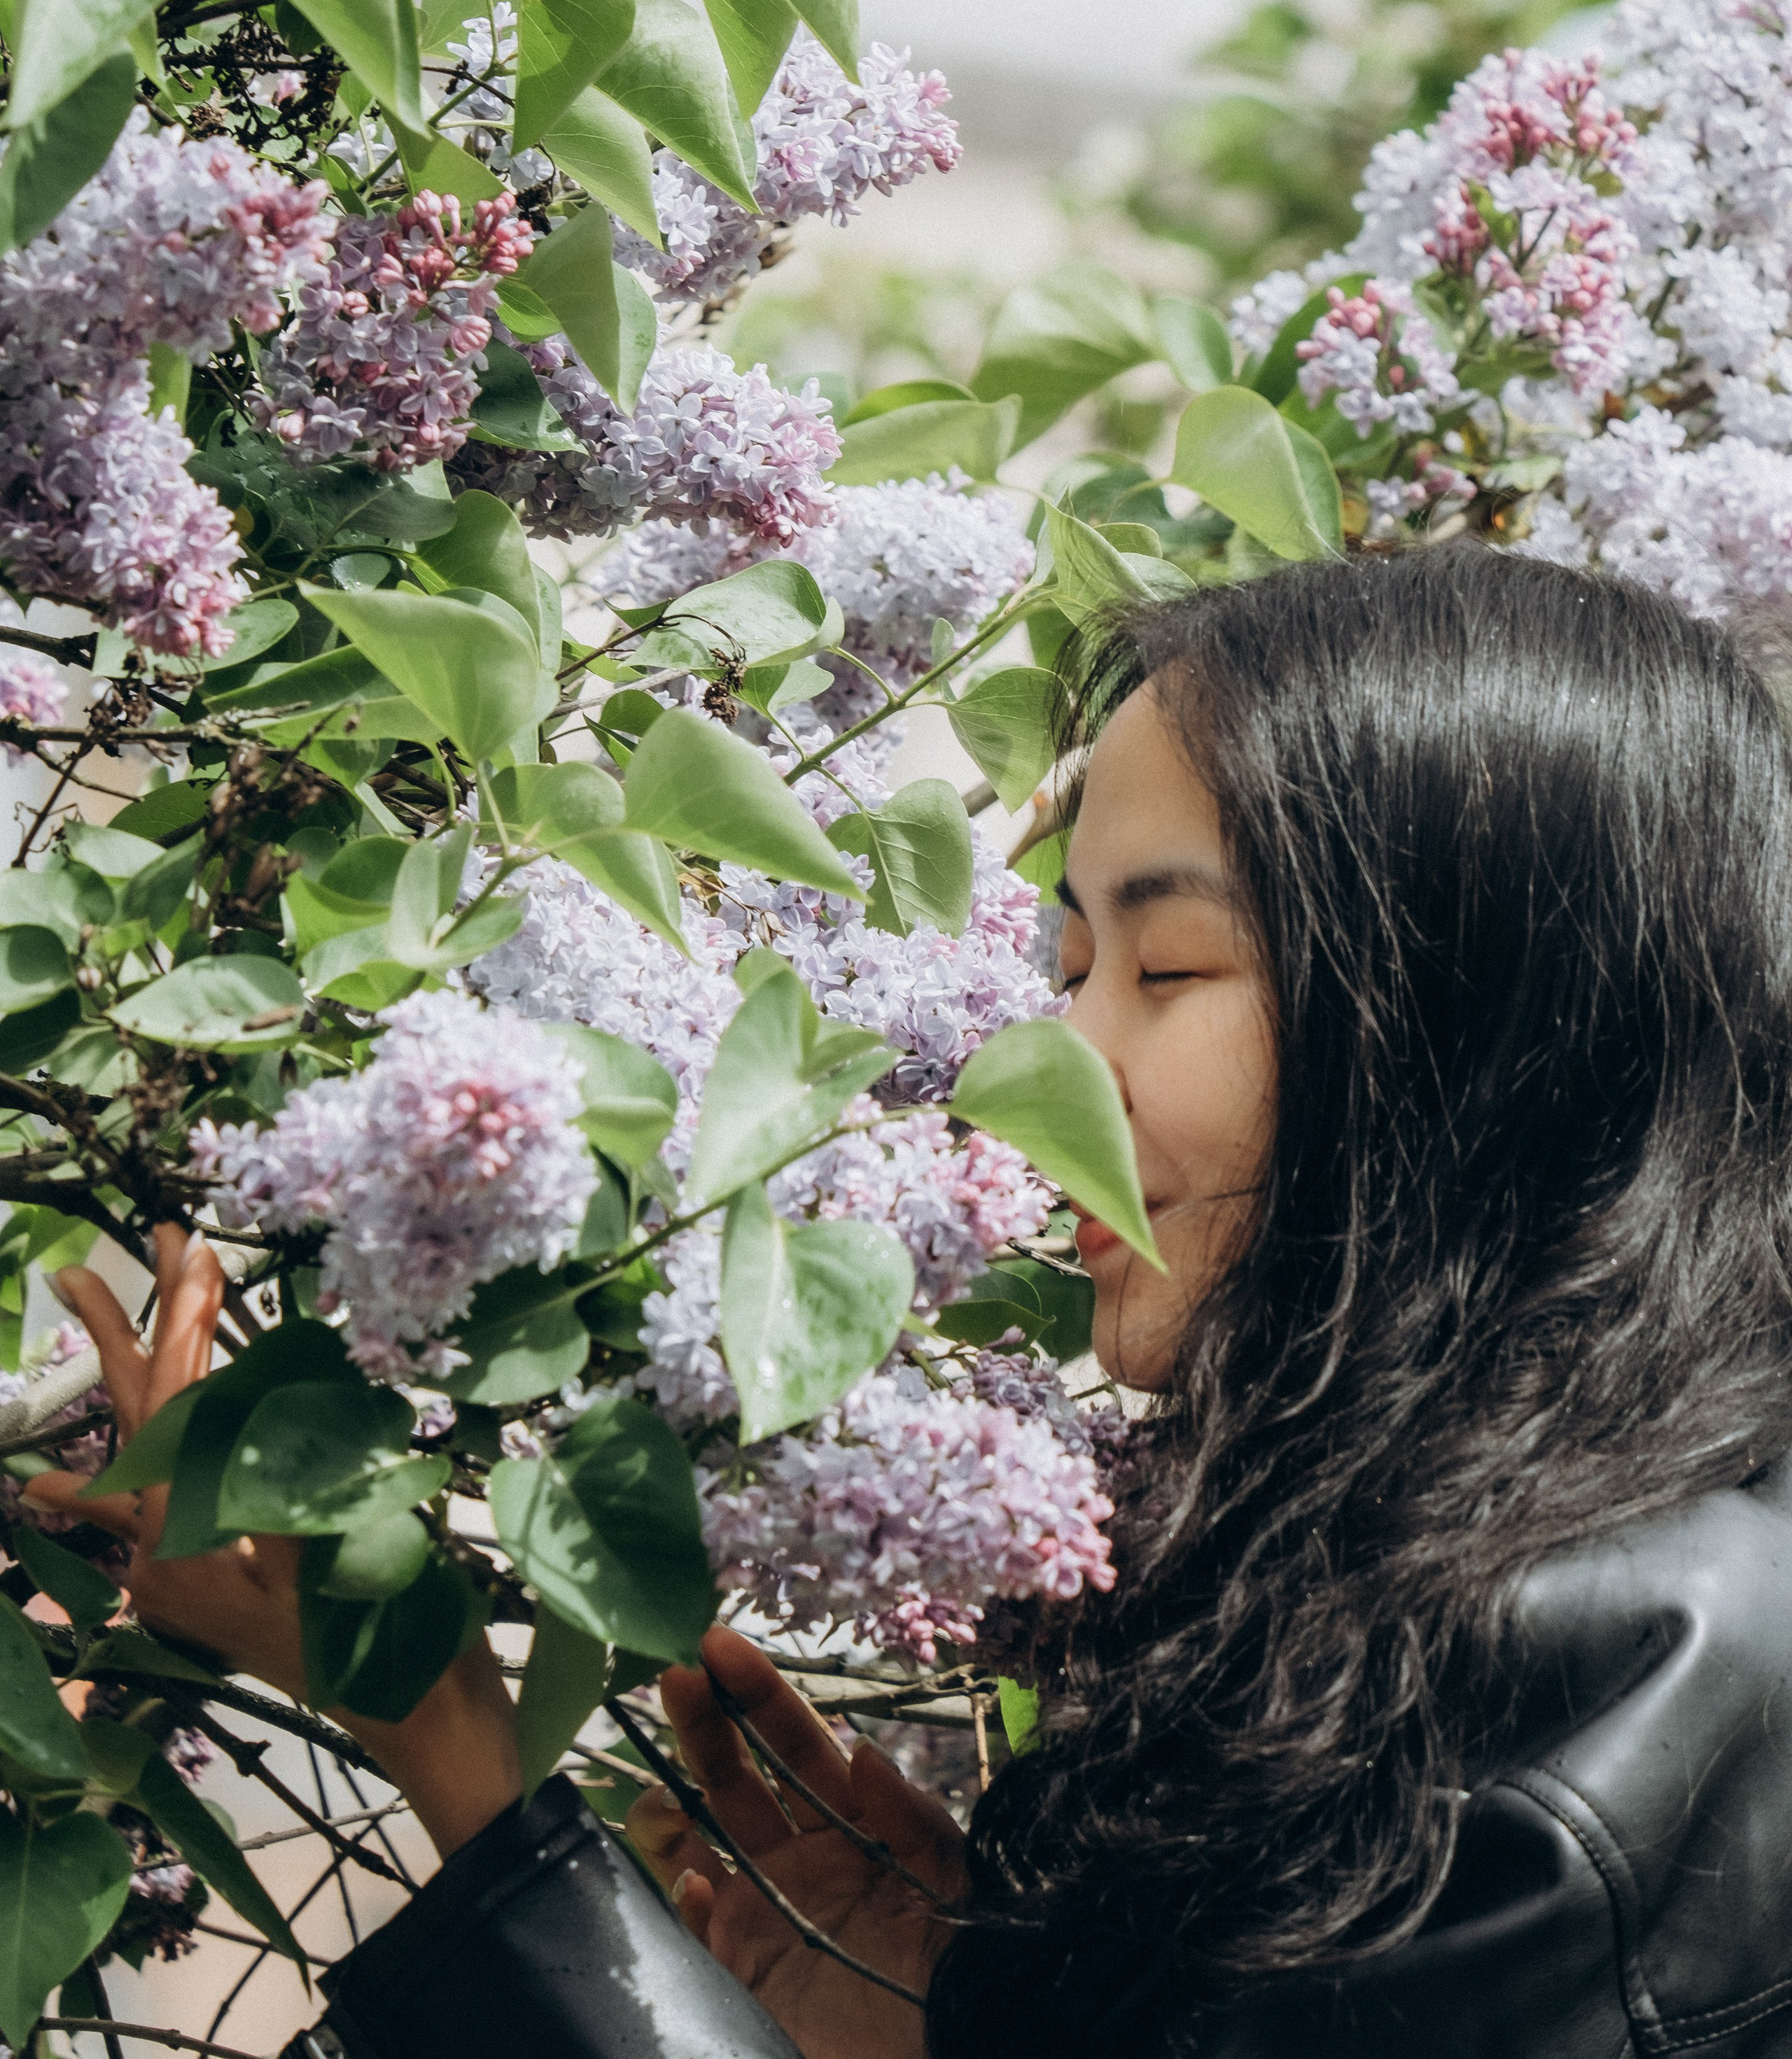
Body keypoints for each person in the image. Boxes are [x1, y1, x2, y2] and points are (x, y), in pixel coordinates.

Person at [33, 543, 1792, 2059]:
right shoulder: (1485, 1589)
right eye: (1068, 963)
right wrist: (989, 2013)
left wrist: (454, 1762)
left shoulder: (1609, 1683)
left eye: (1165, 965)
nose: (1043, 1060)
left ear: (1473, 1037)